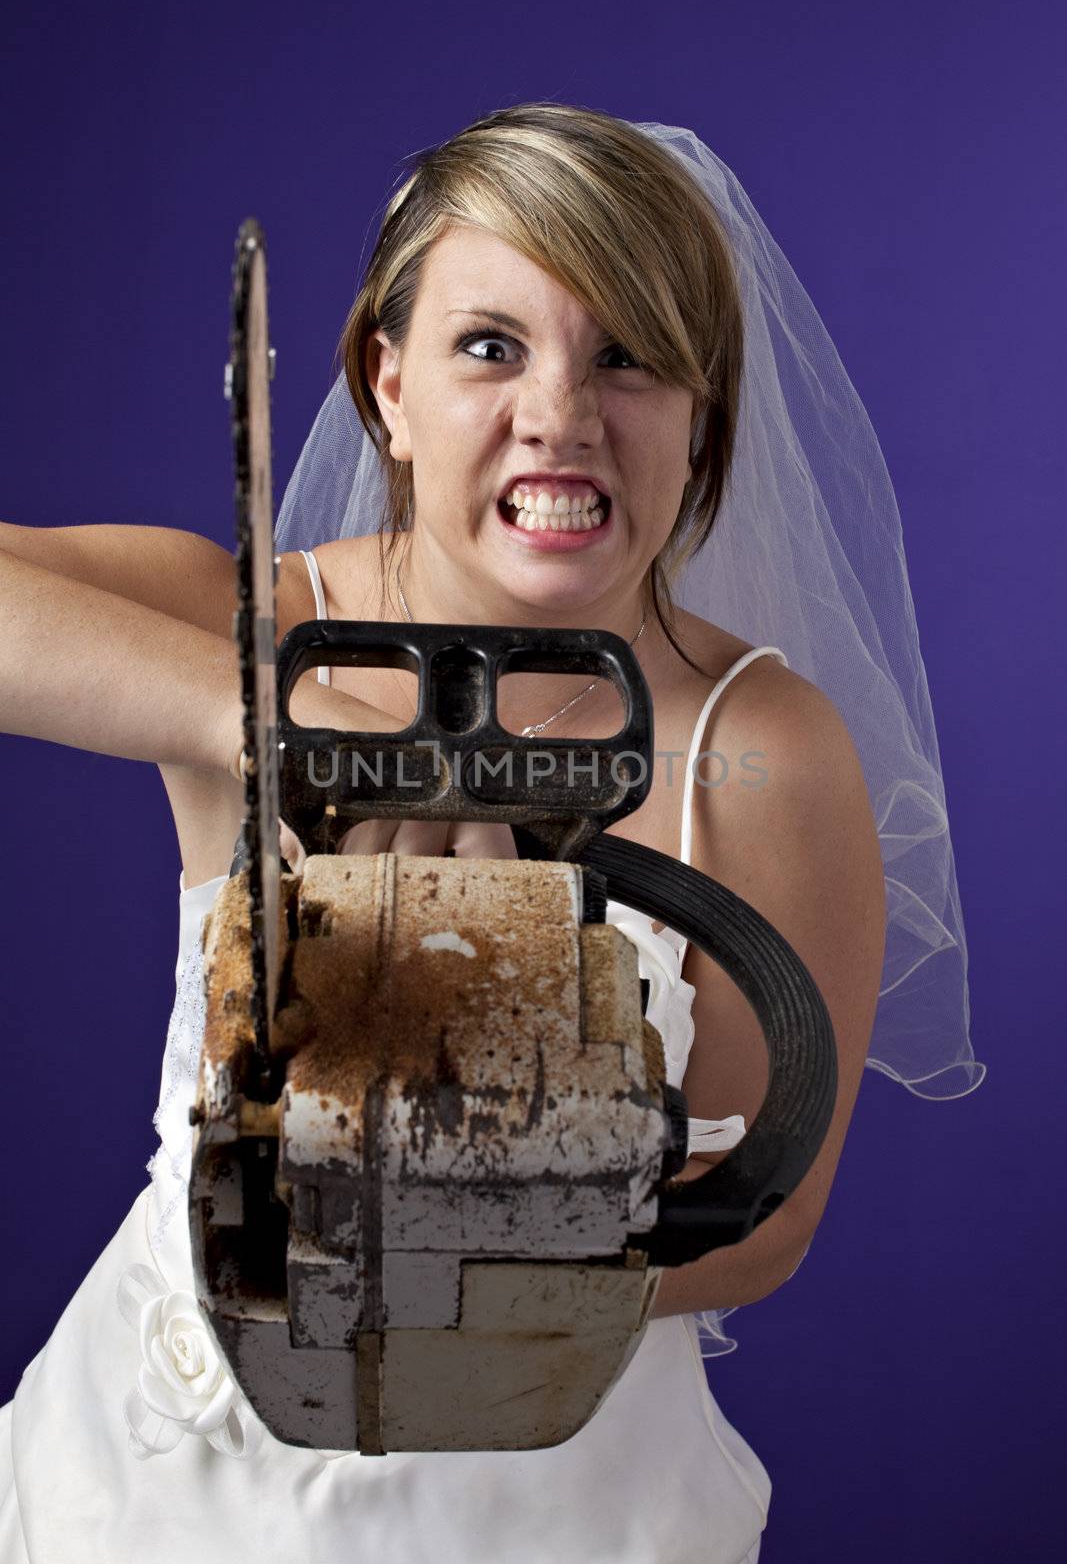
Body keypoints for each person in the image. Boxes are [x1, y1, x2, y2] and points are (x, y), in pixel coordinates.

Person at [0, 101, 981, 1563]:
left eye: (629, 358)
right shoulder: (255, 619)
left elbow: (765, 1221)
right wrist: (260, 726)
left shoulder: (761, 755)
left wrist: (439, 1258)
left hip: (551, 1501)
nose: (562, 416)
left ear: (701, 411)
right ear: (386, 385)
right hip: (147, 1491)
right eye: (490, 346)